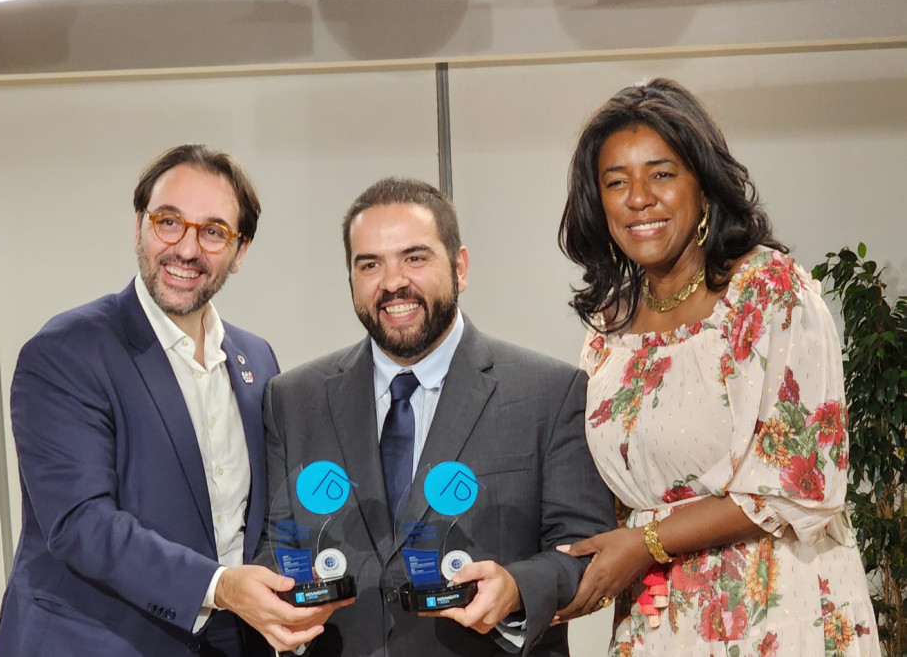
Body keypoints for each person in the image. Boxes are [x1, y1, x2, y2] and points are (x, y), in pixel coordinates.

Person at [554, 78, 879, 655]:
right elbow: (606, 492)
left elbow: (801, 480)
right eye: (616, 182)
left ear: (703, 187)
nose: (639, 197)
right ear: (597, 203)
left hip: (776, 615)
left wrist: (644, 542)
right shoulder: (610, 325)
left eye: (661, 173)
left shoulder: (771, 292)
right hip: (656, 619)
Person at [0, 144, 347, 657]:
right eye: (168, 222)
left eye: (213, 231)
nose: (186, 248)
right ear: (139, 226)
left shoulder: (255, 358)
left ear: (240, 251)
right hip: (95, 642)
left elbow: (258, 516)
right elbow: (82, 524)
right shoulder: (66, 353)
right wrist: (221, 586)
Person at [259, 177, 615, 656]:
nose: (392, 282)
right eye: (370, 264)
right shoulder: (292, 398)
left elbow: (585, 550)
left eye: (415, 257)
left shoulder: (549, 393)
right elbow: (273, 542)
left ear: (460, 267)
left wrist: (515, 587)